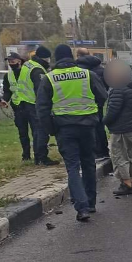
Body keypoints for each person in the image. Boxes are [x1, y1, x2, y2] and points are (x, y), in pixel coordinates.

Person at [37, 45, 107, 222]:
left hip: (64, 128)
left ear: (55, 58)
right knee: (89, 163)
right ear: (72, 57)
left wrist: (51, 129)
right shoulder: (87, 74)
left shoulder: (49, 78)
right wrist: (94, 115)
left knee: (73, 167)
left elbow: (42, 109)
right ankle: (90, 203)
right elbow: (103, 96)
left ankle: (81, 207)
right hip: (87, 126)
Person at [3, 51, 56, 164]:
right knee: (23, 133)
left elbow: (40, 89)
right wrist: (4, 100)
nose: (11, 63)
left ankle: (39, 157)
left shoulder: (32, 70)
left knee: (37, 131)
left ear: (19, 60)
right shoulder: (8, 75)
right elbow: (8, 90)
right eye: (9, 62)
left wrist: (42, 105)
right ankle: (26, 156)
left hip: (33, 105)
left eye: (13, 61)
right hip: (18, 106)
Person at [103, 61, 132, 195]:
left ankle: (127, 184)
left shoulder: (118, 89)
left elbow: (113, 110)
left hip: (121, 129)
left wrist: (104, 121)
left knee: (120, 156)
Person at [76, 48, 110, 159]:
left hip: (83, 104)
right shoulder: (101, 69)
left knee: (89, 128)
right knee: (100, 127)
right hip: (98, 103)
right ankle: (104, 151)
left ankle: (94, 151)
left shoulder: (78, 70)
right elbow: (106, 86)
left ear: (78, 56)